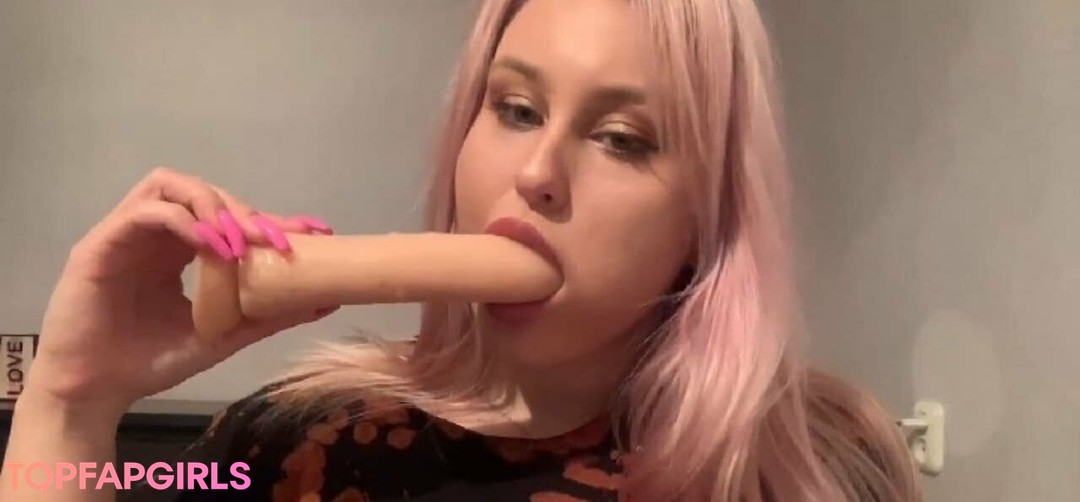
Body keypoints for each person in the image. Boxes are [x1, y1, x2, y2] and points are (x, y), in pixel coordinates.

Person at [0, 0, 923, 500]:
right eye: (515, 109)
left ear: (706, 218)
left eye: (622, 138)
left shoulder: (814, 468)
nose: (538, 173)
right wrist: (71, 406)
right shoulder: (289, 441)